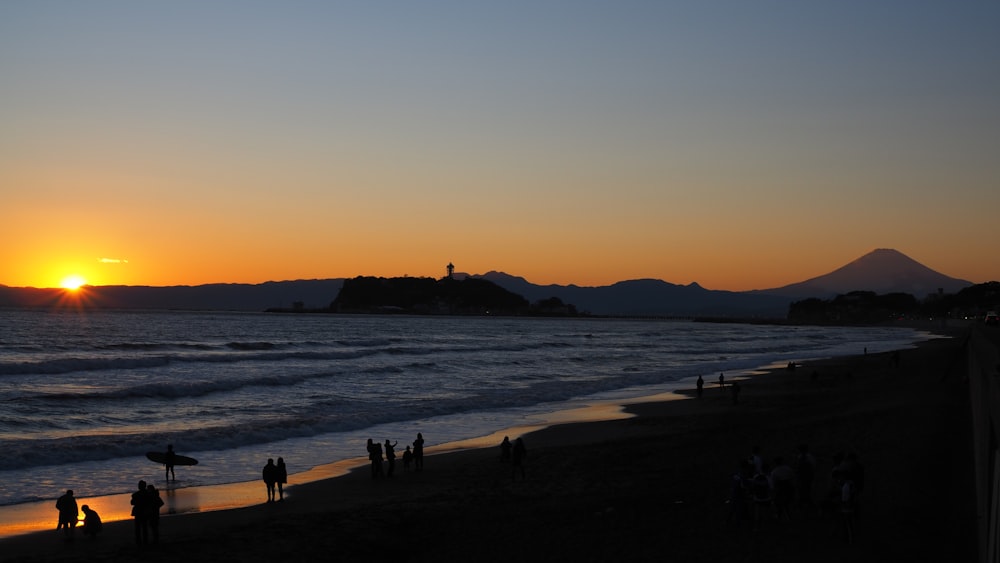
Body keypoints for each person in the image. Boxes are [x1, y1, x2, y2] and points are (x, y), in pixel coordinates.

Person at [131, 480, 150, 545]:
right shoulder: (148, 494)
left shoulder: (136, 494)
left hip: (139, 512)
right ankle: (145, 541)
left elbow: (132, 502)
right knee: (144, 528)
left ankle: (139, 542)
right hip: (145, 512)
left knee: (138, 528)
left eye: (139, 485)